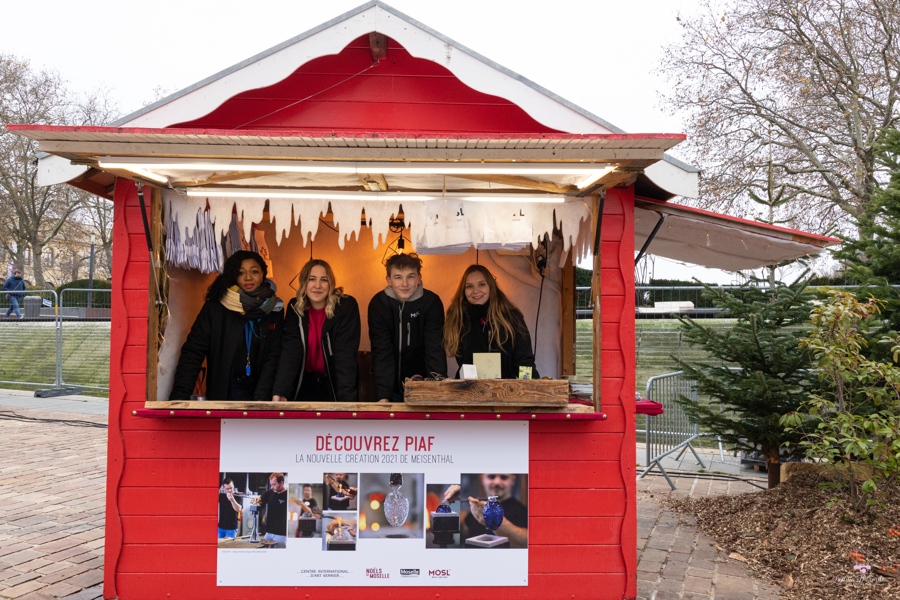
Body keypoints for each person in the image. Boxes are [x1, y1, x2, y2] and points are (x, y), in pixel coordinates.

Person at [169, 251, 284, 401]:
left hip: (263, 389)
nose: (248, 277)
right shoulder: (215, 308)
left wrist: (262, 396)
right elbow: (193, 352)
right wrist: (179, 397)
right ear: (233, 276)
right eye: (241, 272)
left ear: (263, 274)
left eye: (254, 271)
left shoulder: (274, 308)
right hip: (226, 391)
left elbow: (274, 356)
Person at [272, 259, 361, 403]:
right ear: (303, 283)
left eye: (324, 280)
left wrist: (347, 401)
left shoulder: (345, 306)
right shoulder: (295, 308)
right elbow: (290, 350)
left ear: (330, 284)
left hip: (334, 383)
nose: (317, 285)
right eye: (311, 279)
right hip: (304, 383)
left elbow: (345, 355)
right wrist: (281, 390)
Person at [368, 253, 447, 402]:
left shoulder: (431, 302)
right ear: (389, 280)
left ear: (419, 278)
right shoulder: (378, 304)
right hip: (391, 387)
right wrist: (384, 395)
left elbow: (435, 348)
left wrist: (437, 388)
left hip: (423, 386)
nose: (404, 284)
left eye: (410, 277)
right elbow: (381, 351)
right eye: (398, 277)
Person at [443, 265, 538, 379]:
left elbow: (523, 361)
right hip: (468, 388)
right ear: (463, 291)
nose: (475, 291)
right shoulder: (457, 318)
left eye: (482, 284)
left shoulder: (511, 317)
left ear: (491, 286)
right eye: (469, 286)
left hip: (504, 388)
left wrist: (533, 384)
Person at [462, 473, 528, 548]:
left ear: (512, 480)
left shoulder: (523, 512)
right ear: (482, 479)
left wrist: (494, 519)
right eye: (491, 477)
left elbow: (526, 541)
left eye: (503, 477)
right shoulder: (478, 509)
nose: (497, 482)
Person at [254, 473, 288, 546]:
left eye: (274, 484)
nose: (272, 487)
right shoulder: (269, 493)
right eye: (271, 484)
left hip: (281, 534)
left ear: (281, 483)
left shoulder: (287, 495)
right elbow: (260, 499)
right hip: (268, 533)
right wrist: (255, 499)